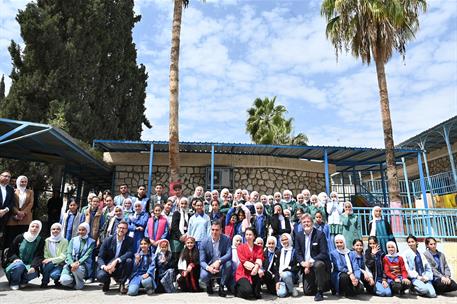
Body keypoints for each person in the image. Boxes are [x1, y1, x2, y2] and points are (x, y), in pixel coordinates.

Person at [294, 213, 330, 301]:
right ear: (301, 224)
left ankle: (320, 291)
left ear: (312, 222)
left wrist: (310, 263)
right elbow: (298, 253)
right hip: (306, 265)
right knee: (308, 291)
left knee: (318, 265)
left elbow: (324, 253)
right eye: (304, 222)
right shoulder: (298, 235)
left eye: (308, 221)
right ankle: (323, 284)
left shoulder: (320, 234)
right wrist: (303, 263)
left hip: (317, 262)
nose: (306, 224)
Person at [4, 220, 44, 290]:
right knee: (19, 266)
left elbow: (39, 255)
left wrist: (33, 266)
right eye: (32, 226)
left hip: (29, 265)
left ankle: (23, 281)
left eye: (37, 227)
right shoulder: (20, 237)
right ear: (29, 227)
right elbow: (11, 251)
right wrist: (15, 259)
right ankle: (14, 282)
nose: (34, 228)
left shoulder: (40, 240)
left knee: (34, 272)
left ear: (39, 229)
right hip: (17, 264)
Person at [97, 220, 134, 294]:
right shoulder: (108, 240)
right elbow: (100, 257)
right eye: (120, 228)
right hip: (108, 265)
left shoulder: (130, 240)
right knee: (101, 276)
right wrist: (105, 267)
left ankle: (122, 283)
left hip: (120, 265)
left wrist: (117, 260)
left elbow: (129, 253)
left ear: (127, 230)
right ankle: (106, 282)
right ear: (116, 228)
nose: (121, 230)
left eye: (124, 228)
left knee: (129, 261)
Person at [199, 220, 232, 297]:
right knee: (203, 276)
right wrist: (208, 268)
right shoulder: (204, 242)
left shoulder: (226, 239)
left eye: (217, 230)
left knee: (229, 264)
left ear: (221, 230)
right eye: (213, 230)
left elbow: (229, 254)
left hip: (220, 265)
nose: (214, 232)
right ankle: (208, 284)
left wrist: (219, 261)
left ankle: (221, 286)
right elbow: (202, 261)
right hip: (209, 265)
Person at [59, 222, 95, 290]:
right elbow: (68, 253)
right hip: (71, 263)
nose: (81, 232)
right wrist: (71, 263)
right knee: (63, 281)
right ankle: (74, 282)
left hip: (83, 265)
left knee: (77, 269)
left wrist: (78, 263)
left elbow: (87, 255)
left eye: (83, 230)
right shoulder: (73, 240)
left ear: (87, 230)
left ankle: (79, 284)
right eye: (79, 230)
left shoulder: (91, 242)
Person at [234, 227, 264, 299]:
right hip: (243, 273)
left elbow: (259, 259)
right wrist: (255, 268)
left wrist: (257, 268)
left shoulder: (259, 248)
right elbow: (244, 261)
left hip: (255, 273)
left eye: (250, 235)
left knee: (257, 295)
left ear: (254, 236)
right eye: (246, 234)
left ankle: (254, 290)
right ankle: (236, 289)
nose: (248, 236)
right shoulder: (240, 247)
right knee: (248, 292)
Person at [6, 175, 34, 248]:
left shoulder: (30, 192)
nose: (23, 183)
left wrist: (23, 213)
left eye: (25, 182)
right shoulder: (13, 190)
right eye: (22, 181)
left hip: (26, 218)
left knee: (22, 238)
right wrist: (17, 212)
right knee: (11, 238)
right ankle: (9, 255)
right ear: (18, 182)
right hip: (13, 217)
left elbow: (31, 203)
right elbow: (10, 202)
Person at [41, 223, 68, 288]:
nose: (55, 230)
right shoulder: (47, 240)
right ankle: (45, 281)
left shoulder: (64, 241)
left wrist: (51, 260)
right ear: (51, 230)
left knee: (54, 275)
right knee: (47, 265)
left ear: (61, 230)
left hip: (59, 263)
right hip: (49, 263)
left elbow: (63, 256)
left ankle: (54, 280)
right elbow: (45, 253)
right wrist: (48, 260)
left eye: (58, 229)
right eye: (53, 229)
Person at [277, 233, 299, 297]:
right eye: (282, 240)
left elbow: (297, 267)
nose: (284, 241)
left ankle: (291, 289)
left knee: (285, 274)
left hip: (291, 275)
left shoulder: (294, 251)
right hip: (280, 276)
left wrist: (288, 269)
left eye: (286, 239)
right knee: (281, 294)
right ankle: (287, 287)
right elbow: (276, 267)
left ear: (289, 239)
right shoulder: (279, 251)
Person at [170, 197, 190, 265]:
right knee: (176, 258)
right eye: (182, 203)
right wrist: (180, 236)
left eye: (185, 204)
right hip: (176, 239)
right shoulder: (176, 213)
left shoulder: (188, 214)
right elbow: (174, 226)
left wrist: (186, 236)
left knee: (184, 258)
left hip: (185, 239)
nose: (183, 205)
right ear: (179, 204)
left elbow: (189, 226)